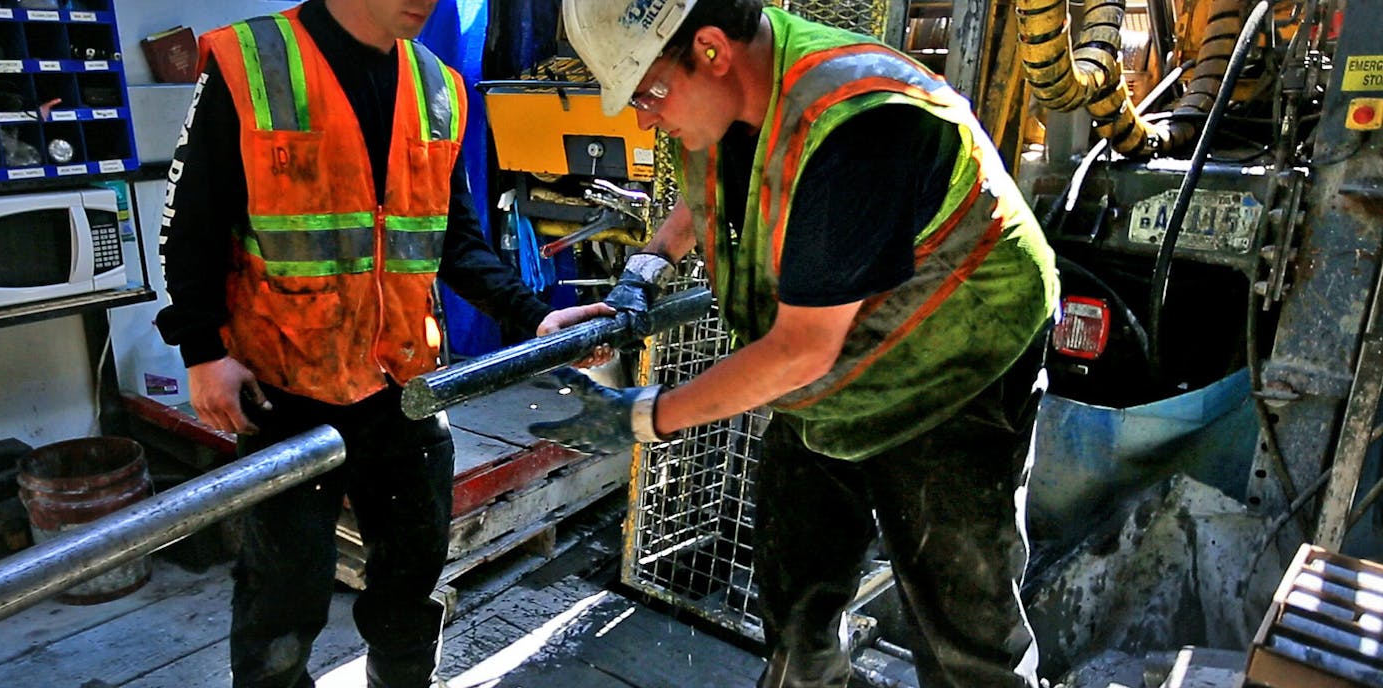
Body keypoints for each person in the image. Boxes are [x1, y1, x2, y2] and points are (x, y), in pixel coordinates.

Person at [532, 2, 1061, 687]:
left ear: (714, 49)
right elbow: (714, 189)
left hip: (954, 365)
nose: (642, 116)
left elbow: (798, 352)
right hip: (838, 368)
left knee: (963, 621)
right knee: (796, 582)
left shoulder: (860, 123)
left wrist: (642, 414)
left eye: (647, 93)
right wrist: (643, 275)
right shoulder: (736, 96)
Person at [155, 1, 604, 686]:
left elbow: (454, 240)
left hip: (406, 388)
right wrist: (200, 351)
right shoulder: (252, 63)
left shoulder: (439, 86)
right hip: (283, 388)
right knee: (281, 595)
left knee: (411, 589)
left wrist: (535, 316)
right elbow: (191, 224)